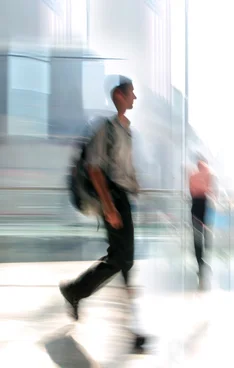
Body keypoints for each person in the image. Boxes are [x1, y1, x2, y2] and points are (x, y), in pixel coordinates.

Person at [59, 75, 146, 351]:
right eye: (131, 92)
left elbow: (122, 170)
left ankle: (132, 330)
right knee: (121, 259)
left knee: (125, 262)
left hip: (122, 200)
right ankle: (75, 290)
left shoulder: (126, 131)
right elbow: (95, 169)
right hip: (114, 199)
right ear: (119, 96)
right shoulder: (105, 129)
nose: (134, 97)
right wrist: (109, 207)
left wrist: (135, 186)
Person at [189, 156, 213, 279]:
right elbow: (209, 191)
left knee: (198, 236)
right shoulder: (207, 174)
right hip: (203, 207)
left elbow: (192, 191)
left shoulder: (192, 176)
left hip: (196, 208)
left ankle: (200, 261)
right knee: (203, 236)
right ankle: (201, 260)